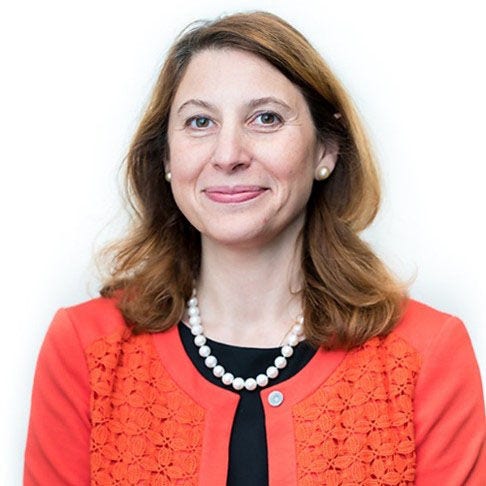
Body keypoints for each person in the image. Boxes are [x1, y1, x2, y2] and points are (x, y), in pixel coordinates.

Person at [24, 10, 485, 485]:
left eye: (265, 118)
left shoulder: (426, 355)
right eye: (200, 122)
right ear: (166, 155)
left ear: (325, 150)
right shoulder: (85, 349)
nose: (228, 155)